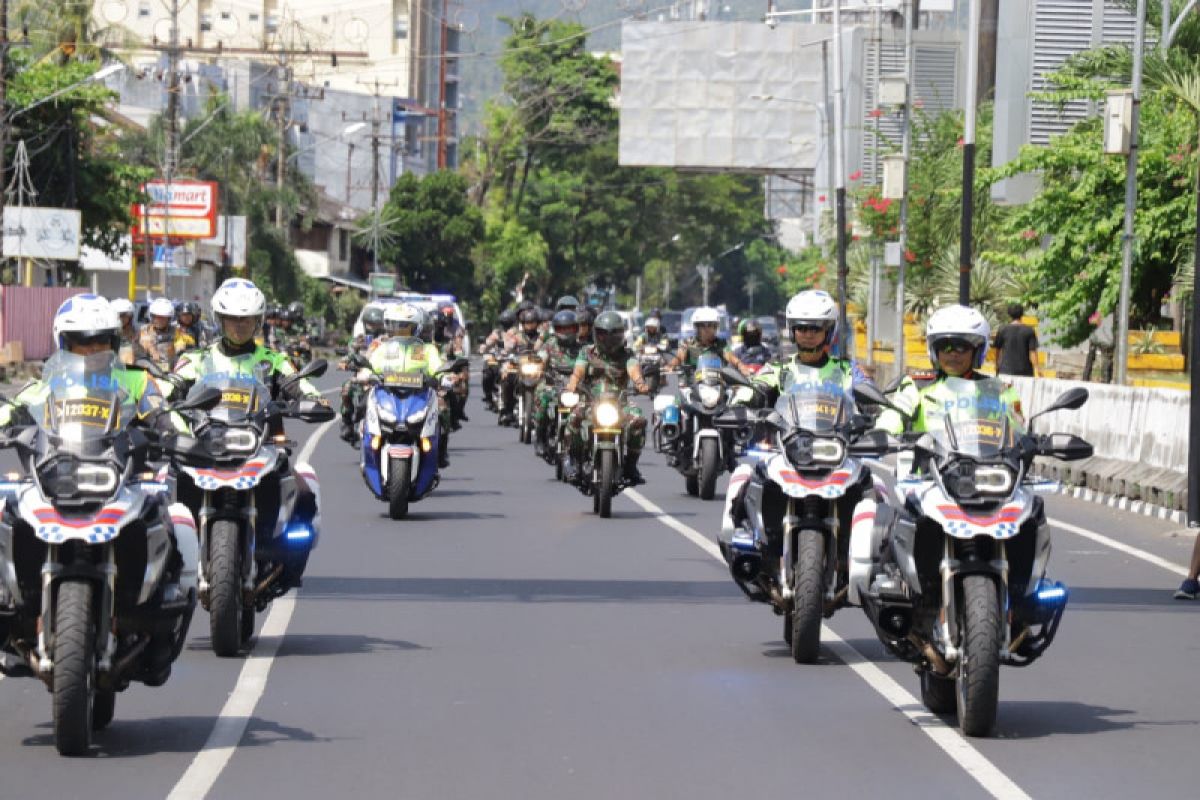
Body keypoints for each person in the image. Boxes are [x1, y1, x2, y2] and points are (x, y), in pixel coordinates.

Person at [0, 294, 198, 602]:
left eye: (99, 343)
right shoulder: (47, 384)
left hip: (123, 477)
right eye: (81, 343)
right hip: (54, 474)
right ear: (63, 344)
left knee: (175, 515)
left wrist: (180, 437)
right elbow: (13, 408)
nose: (91, 351)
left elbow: (163, 414)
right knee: (6, 506)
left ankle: (167, 591)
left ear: (114, 343)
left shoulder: (136, 381)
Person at [169, 278, 332, 590]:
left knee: (305, 490)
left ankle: (289, 565)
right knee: (158, 492)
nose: (239, 327)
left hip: (262, 445)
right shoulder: (196, 359)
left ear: (258, 322)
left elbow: (300, 386)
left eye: (246, 320)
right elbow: (168, 388)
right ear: (219, 320)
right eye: (232, 319)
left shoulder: (272, 360)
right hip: (206, 444)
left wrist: (314, 401)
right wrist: (159, 400)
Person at [719, 290, 876, 555]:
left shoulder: (849, 370)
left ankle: (868, 555)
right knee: (743, 473)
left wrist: (876, 412)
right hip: (786, 449)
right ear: (792, 330)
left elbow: (869, 392)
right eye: (801, 327)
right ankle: (740, 535)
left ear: (829, 330)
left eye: (815, 327)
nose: (808, 333)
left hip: (837, 451)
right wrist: (741, 404)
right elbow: (755, 387)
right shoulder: (779, 368)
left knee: (875, 488)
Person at [876, 304, 1021, 437]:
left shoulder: (999, 390)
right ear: (934, 351)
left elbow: (1018, 431)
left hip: (984, 464)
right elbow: (893, 415)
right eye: (945, 346)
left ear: (977, 350)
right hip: (928, 464)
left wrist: (1028, 440)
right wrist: (882, 432)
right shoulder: (916, 385)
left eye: (961, 346)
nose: (953, 354)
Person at [563, 311, 651, 485]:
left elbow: (634, 370)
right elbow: (578, 371)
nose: (609, 339)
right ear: (597, 334)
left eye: (614, 334)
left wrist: (640, 384)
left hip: (619, 403)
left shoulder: (627, 355)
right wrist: (572, 384)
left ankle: (631, 465)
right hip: (590, 401)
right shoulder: (586, 352)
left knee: (639, 420)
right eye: (604, 334)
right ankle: (573, 460)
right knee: (574, 417)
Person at [369, 303, 452, 468]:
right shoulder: (383, 348)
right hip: (387, 394)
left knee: (443, 411)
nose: (400, 331)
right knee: (365, 405)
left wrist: (443, 377)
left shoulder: (426, 349)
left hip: (419, 394)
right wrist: (365, 373)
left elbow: (437, 367)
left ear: (416, 328)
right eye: (396, 326)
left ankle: (440, 452)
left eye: (404, 327)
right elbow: (371, 366)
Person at [533, 310, 582, 457]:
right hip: (553, 384)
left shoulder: (582, 348)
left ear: (576, 329)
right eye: (562, 328)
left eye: (570, 328)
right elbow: (541, 358)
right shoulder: (550, 345)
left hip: (576, 388)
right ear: (556, 329)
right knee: (543, 397)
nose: (566, 332)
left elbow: (589, 365)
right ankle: (540, 437)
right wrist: (539, 369)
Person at [338, 305, 386, 443]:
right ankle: (347, 423)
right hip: (361, 378)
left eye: (377, 324)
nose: (374, 327)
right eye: (371, 324)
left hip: (381, 378)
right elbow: (348, 355)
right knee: (346, 389)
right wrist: (345, 363)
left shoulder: (388, 340)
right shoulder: (359, 340)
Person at [664, 306, 745, 381]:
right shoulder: (687, 343)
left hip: (717, 383)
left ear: (716, 327)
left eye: (710, 325)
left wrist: (741, 366)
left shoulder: (722, 344)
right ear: (696, 327)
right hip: (693, 383)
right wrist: (671, 366)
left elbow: (731, 357)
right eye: (702, 325)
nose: (707, 329)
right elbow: (678, 358)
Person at [498, 307, 543, 426]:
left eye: (532, 323)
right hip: (519, 367)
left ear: (537, 323)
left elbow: (547, 350)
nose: (530, 326)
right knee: (506, 378)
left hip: (537, 369)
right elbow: (508, 347)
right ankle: (507, 410)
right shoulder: (517, 336)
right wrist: (506, 353)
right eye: (527, 323)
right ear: (523, 324)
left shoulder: (542, 338)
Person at [993, 302, 1040, 378]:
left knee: (1006, 390)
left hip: (1005, 371)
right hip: (1025, 372)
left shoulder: (1002, 330)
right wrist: (1037, 369)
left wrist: (997, 365)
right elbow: (1033, 352)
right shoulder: (1029, 331)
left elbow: (998, 350)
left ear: (1009, 314)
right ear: (1022, 314)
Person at [138, 296, 180, 371]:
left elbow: (182, 346)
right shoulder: (144, 330)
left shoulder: (177, 332)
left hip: (170, 372)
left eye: (163, 317)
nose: (159, 320)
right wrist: (152, 349)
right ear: (151, 317)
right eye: (156, 317)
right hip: (147, 372)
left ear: (169, 318)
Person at [110, 296, 138, 365]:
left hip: (130, 369)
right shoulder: (106, 334)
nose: (124, 318)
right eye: (121, 315)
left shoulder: (136, 333)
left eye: (127, 315)